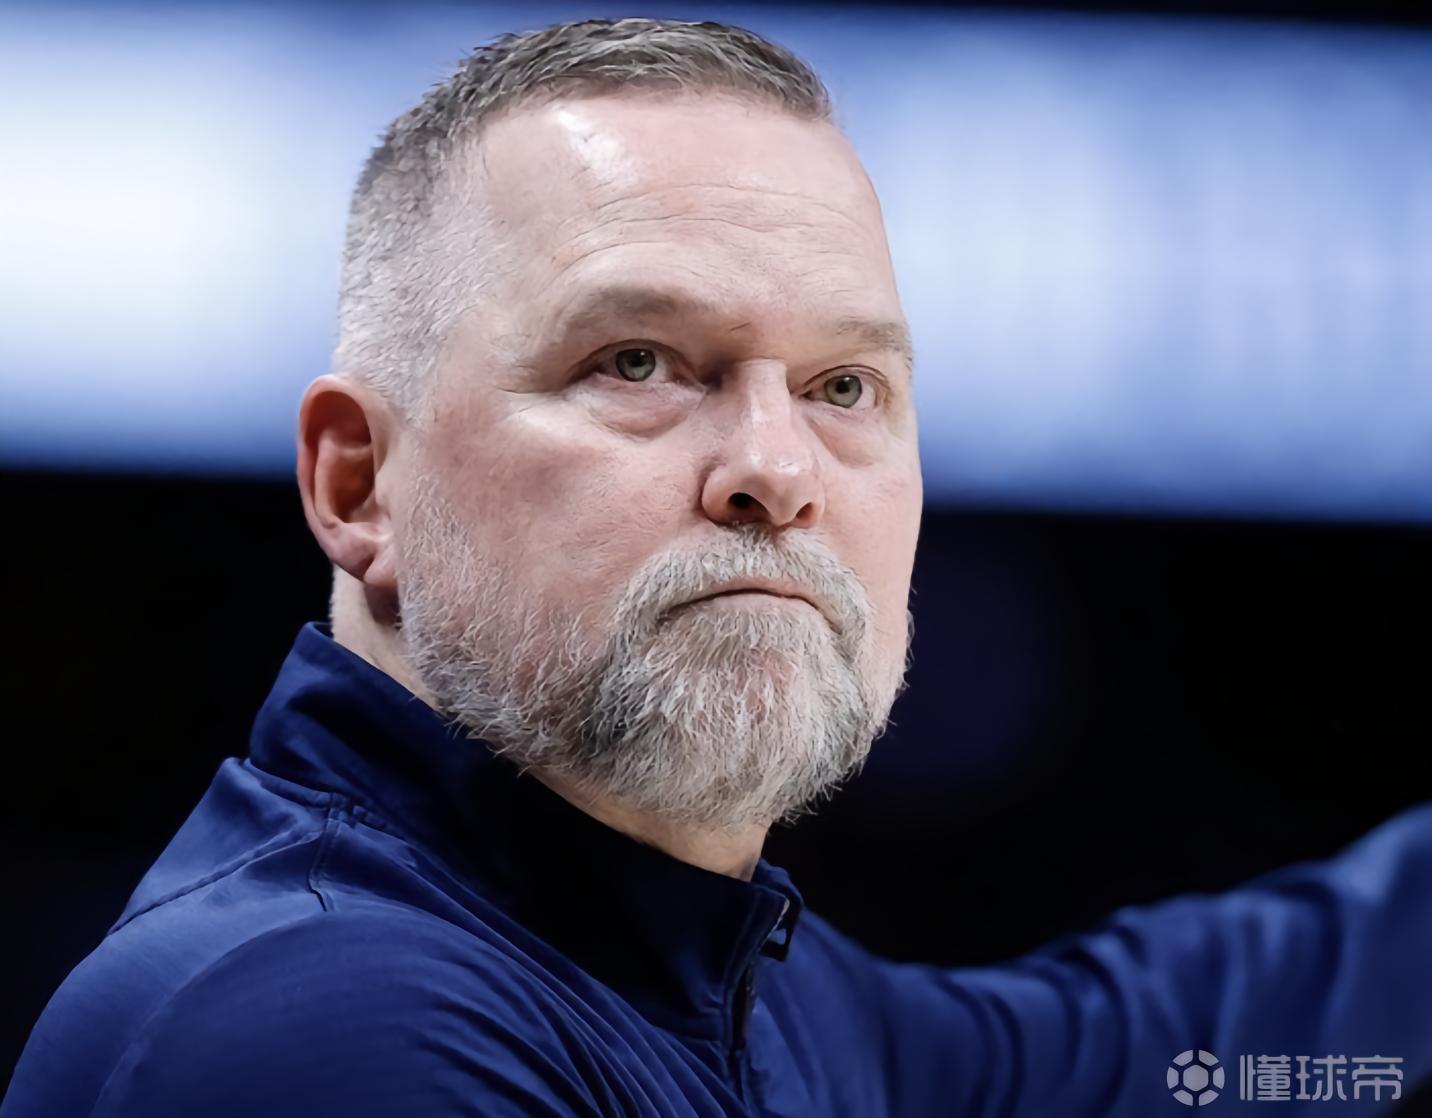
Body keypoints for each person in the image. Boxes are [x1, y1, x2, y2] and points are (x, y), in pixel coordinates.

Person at [4, 17, 1429, 1117]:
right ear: (359, 483)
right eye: (638, 362)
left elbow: (1203, 1045)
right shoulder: (329, 1023)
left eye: (845, 386)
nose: (775, 468)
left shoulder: (738, 999)